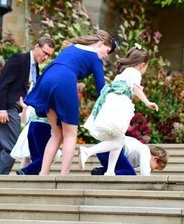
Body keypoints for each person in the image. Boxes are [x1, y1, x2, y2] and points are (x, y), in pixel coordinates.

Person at [25, 30, 117, 175]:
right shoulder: (95, 58)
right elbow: (101, 89)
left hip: (47, 78)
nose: (106, 55)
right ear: (100, 43)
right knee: (70, 134)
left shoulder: (72, 47)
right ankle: (63, 176)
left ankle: (43, 174)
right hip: (64, 81)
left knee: (56, 133)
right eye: (107, 50)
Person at [79, 44, 159, 175]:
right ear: (142, 64)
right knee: (118, 141)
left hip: (111, 103)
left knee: (118, 140)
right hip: (119, 105)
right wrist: (147, 102)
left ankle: (110, 170)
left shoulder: (124, 72)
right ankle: (88, 151)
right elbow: (136, 88)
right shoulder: (135, 73)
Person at [0, 37, 55, 174]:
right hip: (7, 108)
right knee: (12, 147)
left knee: (0, 145)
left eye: (49, 55)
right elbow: (2, 84)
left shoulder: (36, 69)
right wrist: (1, 109)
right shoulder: (18, 59)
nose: (45, 57)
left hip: (17, 109)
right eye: (45, 52)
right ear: (36, 47)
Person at [11, 98, 62, 175]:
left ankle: (30, 173)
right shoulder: (52, 94)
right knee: (47, 155)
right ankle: (26, 170)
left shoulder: (37, 94)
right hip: (44, 125)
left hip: (33, 125)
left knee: (36, 156)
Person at [90, 136, 168, 176]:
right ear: (155, 158)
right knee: (130, 173)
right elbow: (145, 173)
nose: (153, 169)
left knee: (120, 168)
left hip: (102, 150)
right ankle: (107, 175)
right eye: (156, 167)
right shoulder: (145, 149)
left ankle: (99, 171)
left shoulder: (138, 158)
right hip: (112, 149)